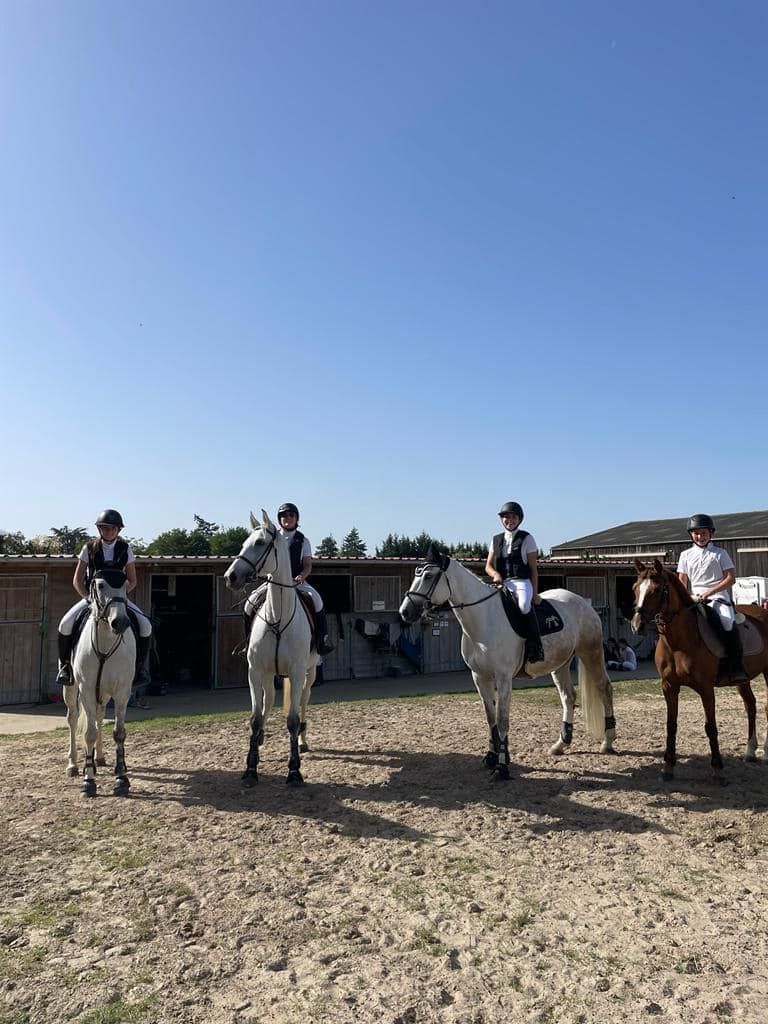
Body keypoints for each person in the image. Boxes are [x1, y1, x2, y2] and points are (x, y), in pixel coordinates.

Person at [56, 509, 153, 688]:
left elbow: (133, 580)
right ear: (100, 529)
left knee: (146, 626)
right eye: (104, 528)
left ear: (118, 530)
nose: (108, 532)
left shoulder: (126, 549)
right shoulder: (89, 548)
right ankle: (65, 667)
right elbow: (77, 580)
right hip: (93, 599)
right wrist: (87, 597)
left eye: (112, 528)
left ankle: (139, 670)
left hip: (117, 600)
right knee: (65, 624)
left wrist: (120, 598)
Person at [244, 502, 335, 656]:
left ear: (296, 518)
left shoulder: (304, 540)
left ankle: (322, 640)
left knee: (318, 600)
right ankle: (248, 642)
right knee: (249, 604)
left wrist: (302, 576)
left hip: (296, 582)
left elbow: (307, 565)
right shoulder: (273, 538)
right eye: (284, 515)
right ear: (279, 519)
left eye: (291, 515)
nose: (287, 518)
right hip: (273, 581)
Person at [677, 513, 748, 683]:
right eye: (696, 533)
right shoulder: (685, 555)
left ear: (711, 534)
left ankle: (736, 665)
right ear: (691, 535)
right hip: (694, 598)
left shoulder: (720, 553)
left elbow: (731, 578)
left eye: (703, 533)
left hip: (718, 598)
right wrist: (686, 597)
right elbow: (682, 581)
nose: (700, 537)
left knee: (727, 622)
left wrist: (708, 593)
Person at [485, 500, 544, 662]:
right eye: (505, 517)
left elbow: (533, 569)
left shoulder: (527, 539)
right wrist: (495, 574)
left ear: (519, 519)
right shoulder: (495, 539)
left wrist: (535, 593)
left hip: (521, 582)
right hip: (501, 583)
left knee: (524, 606)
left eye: (512, 517)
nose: (509, 520)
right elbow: (488, 566)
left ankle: (535, 645)